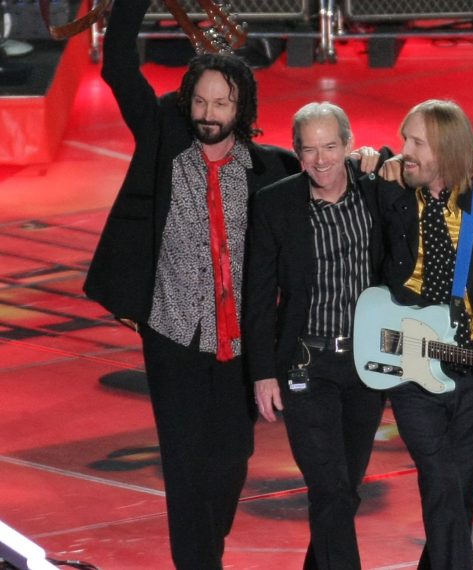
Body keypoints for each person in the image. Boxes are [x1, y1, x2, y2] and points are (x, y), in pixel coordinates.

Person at [81, 0, 300, 567]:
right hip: (172, 332)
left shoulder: (270, 170)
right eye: (199, 100)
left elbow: (334, 169)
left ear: (241, 107)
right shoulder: (162, 137)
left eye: (220, 103)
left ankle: (207, 545)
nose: (208, 112)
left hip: (240, 344)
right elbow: (118, 70)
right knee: (184, 464)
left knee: (231, 460)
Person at [243, 102, 391, 569]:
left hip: (368, 363)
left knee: (344, 491)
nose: (321, 160)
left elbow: (430, 165)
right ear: (297, 153)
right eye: (310, 150)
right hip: (307, 364)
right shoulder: (275, 203)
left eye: (331, 147)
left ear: (349, 145)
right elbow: (260, 296)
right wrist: (263, 374)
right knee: (329, 488)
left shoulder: (376, 188)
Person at [374, 99, 473, 569]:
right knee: (440, 478)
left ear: (448, 149)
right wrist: (378, 158)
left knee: (459, 492)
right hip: (411, 367)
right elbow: (355, 162)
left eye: (417, 143)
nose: (405, 150)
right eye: (404, 140)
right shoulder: (390, 191)